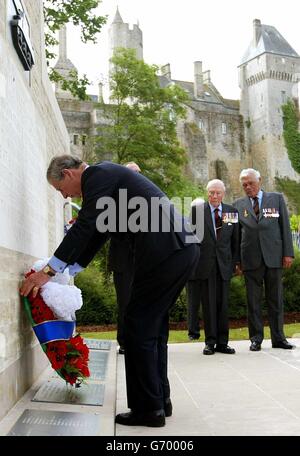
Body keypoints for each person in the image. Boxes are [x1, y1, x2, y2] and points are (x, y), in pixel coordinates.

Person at [20, 155, 199, 428]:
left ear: (68, 174)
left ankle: (148, 409)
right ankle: (160, 401)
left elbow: (84, 226)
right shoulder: (106, 181)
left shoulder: (97, 176)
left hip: (166, 252)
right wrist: (70, 271)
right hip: (178, 249)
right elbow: (98, 233)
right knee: (152, 327)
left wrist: (49, 271)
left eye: (60, 189)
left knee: (136, 327)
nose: (63, 195)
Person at [233, 168, 295, 352]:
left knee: (275, 300)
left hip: (274, 257)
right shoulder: (237, 204)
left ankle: (279, 338)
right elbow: (235, 236)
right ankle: (256, 339)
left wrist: (288, 253)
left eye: (251, 183)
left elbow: (285, 226)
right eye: (244, 184)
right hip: (250, 260)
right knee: (253, 301)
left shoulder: (276, 199)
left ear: (259, 180)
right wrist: (237, 261)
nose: (248, 187)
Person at [186, 179, 239, 355]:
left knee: (223, 305)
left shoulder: (231, 212)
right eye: (211, 193)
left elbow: (235, 241)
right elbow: (190, 241)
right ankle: (210, 342)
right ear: (207, 193)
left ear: (223, 194)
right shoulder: (197, 212)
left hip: (224, 265)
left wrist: (235, 263)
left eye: (218, 193)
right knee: (208, 306)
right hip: (204, 266)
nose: (214, 196)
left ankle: (223, 343)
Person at [108, 162, 141, 355]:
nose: (135, 177)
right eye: (132, 174)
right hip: (122, 260)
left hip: (143, 260)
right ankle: (125, 342)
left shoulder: (148, 199)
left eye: (138, 173)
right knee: (125, 303)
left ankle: (143, 339)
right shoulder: (114, 200)